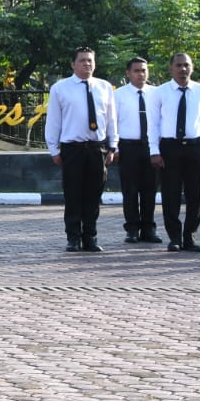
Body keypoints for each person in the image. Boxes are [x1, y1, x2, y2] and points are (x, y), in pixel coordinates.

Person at [44, 46, 117, 252]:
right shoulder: (60, 88)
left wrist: (113, 146)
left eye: (90, 60)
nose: (87, 64)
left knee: (94, 195)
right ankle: (73, 237)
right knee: (73, 194)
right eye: (83, 60)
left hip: (97, 147)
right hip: (72, 148)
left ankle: (90, 237)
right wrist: (54, 149)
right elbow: (54, 121)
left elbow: (111, 119)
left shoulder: (104, 87)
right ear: (73, 64)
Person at [147, 52, 200, 252]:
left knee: (195, 196)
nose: (183, 69)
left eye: (186, 65)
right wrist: (154, 150)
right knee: (171, 195)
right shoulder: (159, 92)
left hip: (195, 147)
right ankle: (174, 237)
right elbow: (152, 124)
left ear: (192, 68)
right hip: (170, 147)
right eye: (178, 65)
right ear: (171, 68)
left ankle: (190, 237)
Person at [113, 58, 160, 244]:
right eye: (136, 71)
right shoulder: (119, 95)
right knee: (130, 190)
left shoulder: (157, 93)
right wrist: (114, 147)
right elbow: (112, 122)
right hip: (128, 146)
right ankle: (132, 229)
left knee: (150, 190)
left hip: (151, 146)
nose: (141, 74)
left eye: (144, 70)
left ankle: (149, 228)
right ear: (128, 73)